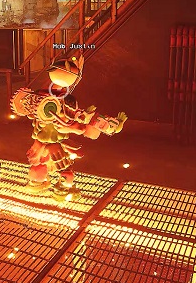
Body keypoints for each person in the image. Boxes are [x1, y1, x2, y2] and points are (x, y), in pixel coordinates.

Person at [11, 57, 126, 201]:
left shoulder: (66, 102)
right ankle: (46, 183)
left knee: (64, 168)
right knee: (45, 167)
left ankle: (61, 187)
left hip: (55, 140)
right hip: (48, 140)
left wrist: (74, 127)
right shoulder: (42, 97)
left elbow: (79, 122)